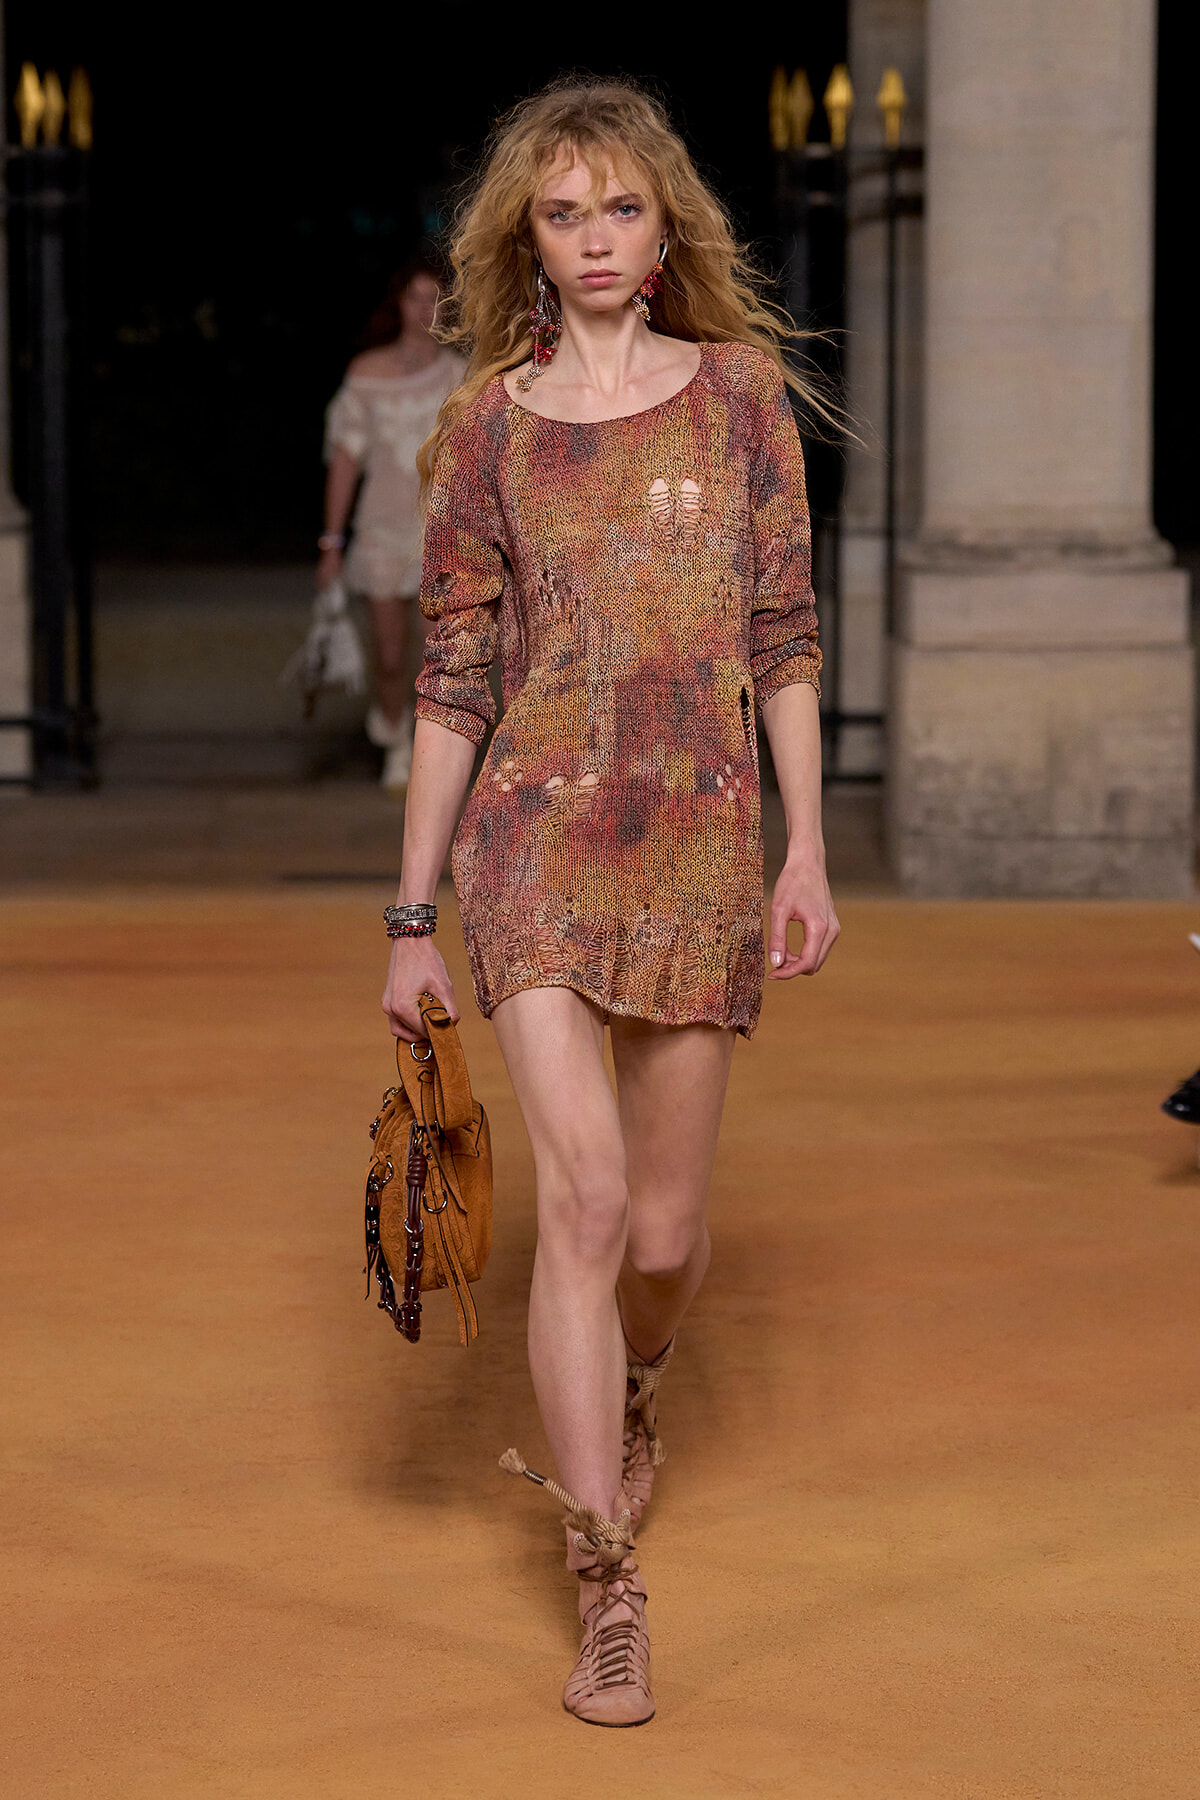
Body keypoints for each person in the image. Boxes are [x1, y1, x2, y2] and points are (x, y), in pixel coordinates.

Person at [381, 77, 840, 1727]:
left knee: (660, 1235)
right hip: (531, 836)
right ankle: (606, 1581)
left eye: (621, 210)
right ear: (531, 236)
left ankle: (636, 1377)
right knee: (576, 1207)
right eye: (563, 212)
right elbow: (451, 675)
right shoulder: (490, 426)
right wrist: (413, 913)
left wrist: (803, 843)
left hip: (704, 839)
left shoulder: (735, 402)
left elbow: (782, 629)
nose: (592, 239)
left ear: (664, 236)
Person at [320, 259, 466, 786]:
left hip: (439, 532)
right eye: (414, 298)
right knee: (387, 652)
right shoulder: (367, 372)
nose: (424, 309)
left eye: (434, 298)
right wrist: (331, 542)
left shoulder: (462, 374)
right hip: (381, 529)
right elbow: (344, 461)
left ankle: (433, 755)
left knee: (440, 653)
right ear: (398, 304)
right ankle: (394, 735)